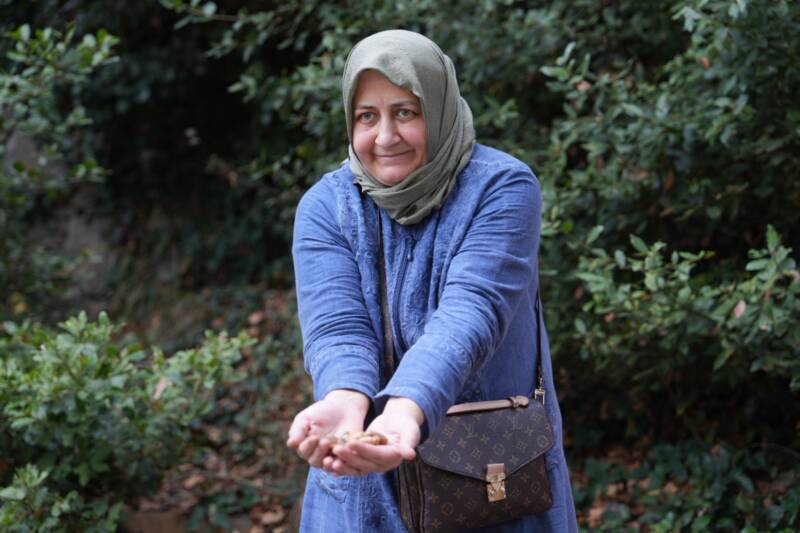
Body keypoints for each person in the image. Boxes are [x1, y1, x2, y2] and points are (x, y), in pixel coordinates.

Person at [287, 29, 578, 532]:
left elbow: (470, 315)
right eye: (366, 116)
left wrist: (405, 411)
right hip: (362, 473)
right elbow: (338, 329)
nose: (385, 137)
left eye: (405, 112)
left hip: (488, 480)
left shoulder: (502, 187)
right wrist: (342, 401)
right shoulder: (325, 207)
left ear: (437, 106)